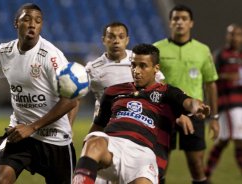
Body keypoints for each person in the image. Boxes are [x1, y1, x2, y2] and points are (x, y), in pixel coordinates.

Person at [72, 43, 211, 184]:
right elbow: (98, 125)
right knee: (94, 141)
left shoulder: (167, 93)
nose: (136, 71)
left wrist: (197, 107)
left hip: (142, 155)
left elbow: (189, 102)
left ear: (156, 69)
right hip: (113, 146)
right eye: (133, 65)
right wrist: (86, 157)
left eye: (143, 66)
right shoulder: (113, 91)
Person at [0, 3, 79, 184]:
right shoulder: (3, 52)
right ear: (16, 23)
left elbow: (72, 99)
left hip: (54, 138)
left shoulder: (52, 56)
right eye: (27, 19)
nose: (33, 24)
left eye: (38, 21)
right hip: (19, 133)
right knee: (1, 180)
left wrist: (33, 127)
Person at [85, 22, 165, 183]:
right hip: (106, 130)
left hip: (135, 128)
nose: (116, 41)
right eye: (111, 37)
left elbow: (160, 87)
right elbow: (75, 96)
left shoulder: (139, 61)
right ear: (104, 40)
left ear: (127, 40)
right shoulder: (93, 69)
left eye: (121, 37)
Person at [153, 4, 219, 184]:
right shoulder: (157, 49)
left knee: (197, 165)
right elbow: (151, 83)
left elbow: (211, 84)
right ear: (170, 22)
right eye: (175, 18)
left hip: (194, 113)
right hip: (164, 114)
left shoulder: (202, 50)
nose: (179, 22)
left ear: (191, 23)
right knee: (159, 166)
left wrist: (214, 117)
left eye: (184, 19)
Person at [204, 23, 242, 181]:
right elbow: (210, 78)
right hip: (228, 104)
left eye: (238, 34)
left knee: (223, 142)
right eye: (232, 34)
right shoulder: (219, 55)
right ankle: (204, 175)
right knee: (239, 141)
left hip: (239, 104)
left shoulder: (240, 56)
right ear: (227, 36)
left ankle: (205, 175)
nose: (235, 37)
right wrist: (228, 77)